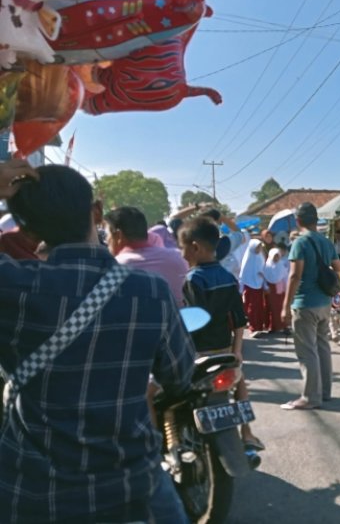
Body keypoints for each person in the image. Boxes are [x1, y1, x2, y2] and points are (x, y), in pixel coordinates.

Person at [0, 163, 195, 523]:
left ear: (25, 230)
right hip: (133, 489)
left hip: (34, 496)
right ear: (97, 213)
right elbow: (181, 378)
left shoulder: (15, 289)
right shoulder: (150, 293)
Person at [179, 217, 264, 451]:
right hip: (225, 349)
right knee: (240, 383)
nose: (182, 254)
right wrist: (236, 351)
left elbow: (194, 319)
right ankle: (247, 433)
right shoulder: (229, 278)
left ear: (194, 247)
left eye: (182, 248)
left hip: (199, 352)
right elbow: (239, 319)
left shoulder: (192, 279)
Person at [280, 202, 340, 410]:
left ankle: (310, 397)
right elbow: (338, 268)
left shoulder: (300, 243)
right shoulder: (326, 242)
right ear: (316, 220)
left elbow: (295, 275)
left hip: (304, 303)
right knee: (323, 346)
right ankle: (325, 392)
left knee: (307, 352)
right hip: (324, 302)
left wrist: (285, 305)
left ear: (298, 221)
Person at [104, 206, 189, 305]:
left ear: (118, 235)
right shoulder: (179, 257)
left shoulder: (114, 267)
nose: (106, 241)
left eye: (107, 235)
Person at [239, 239, 267, 332]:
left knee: (259, 307)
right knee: (252, 307)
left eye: (260, 247)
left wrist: (263, 276)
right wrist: (241, 289)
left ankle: (259, 326)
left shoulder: (260, 257)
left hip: (259, 286)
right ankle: (254, 326)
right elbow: (243, 275)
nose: (259, 249)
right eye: (257, 247)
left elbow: (264, 270)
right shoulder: (248, 259)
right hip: (249, 286)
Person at [263, 248, 287, 332]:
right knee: (271, 308)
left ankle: (283, 326)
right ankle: (271, 326)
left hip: (280, 291)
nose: (276, 258)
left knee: (280, 308)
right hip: (270, 290)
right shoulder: (267, 266)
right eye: (274, 256)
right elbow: (264, 279)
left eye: (277, 256)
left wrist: (286, 289)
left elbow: (285, 278)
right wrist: (265, 287)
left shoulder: (281, 265)